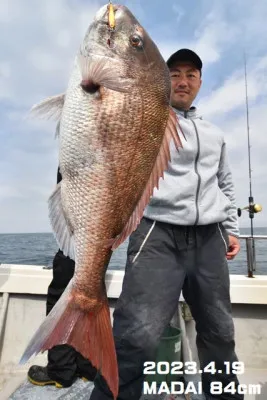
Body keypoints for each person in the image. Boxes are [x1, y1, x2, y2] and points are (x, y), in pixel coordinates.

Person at [89, 48, 243, 400]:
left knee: (220, 334)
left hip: (209, 240)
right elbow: (110, 125)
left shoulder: (215, 134)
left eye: (191, 74)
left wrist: (231, 227)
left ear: (200, 82)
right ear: (163, 80)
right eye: (174, 74)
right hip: (157, 236)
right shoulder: (148, 120)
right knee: (135, 336)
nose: (183, 81)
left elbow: (225, 183)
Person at [27, 167, 97, 388]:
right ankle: (88, 366)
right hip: (96, 240)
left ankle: (61, 371)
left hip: (75, 242)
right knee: (90, 299)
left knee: (61, 299)